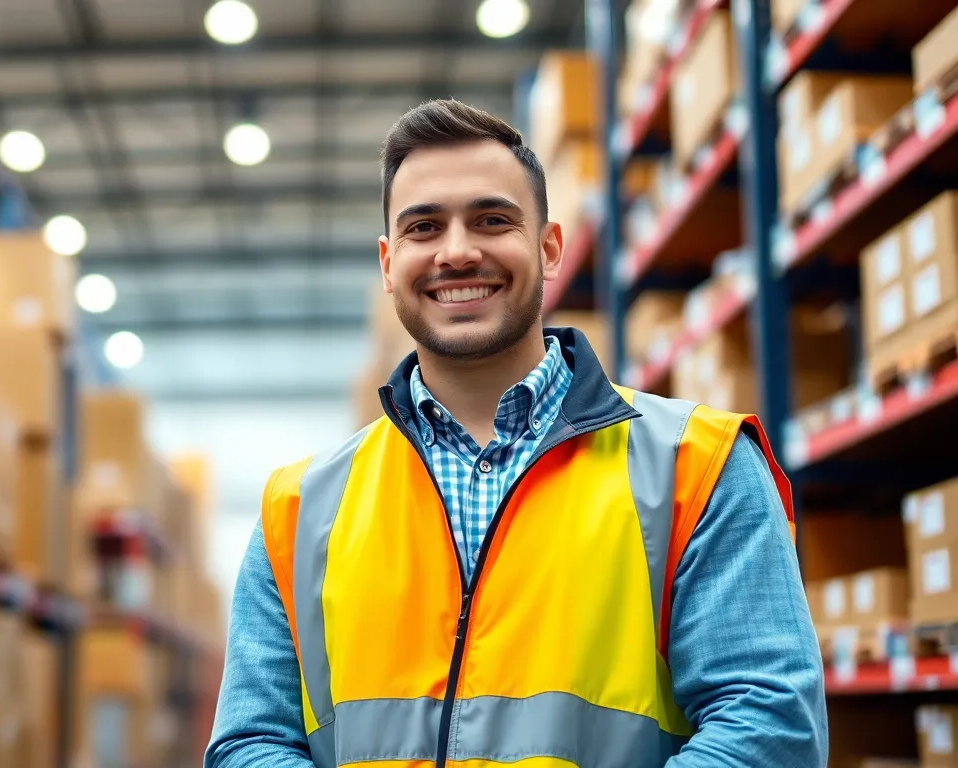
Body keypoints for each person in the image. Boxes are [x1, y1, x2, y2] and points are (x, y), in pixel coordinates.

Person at [203, 99, 828, 768]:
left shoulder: (699, 468)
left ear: (548, 246)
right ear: (388, 263)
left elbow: (770, 727)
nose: (458, 251)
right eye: (423, 227)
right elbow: (251, 744)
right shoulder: (299, 510)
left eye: (492, 220)